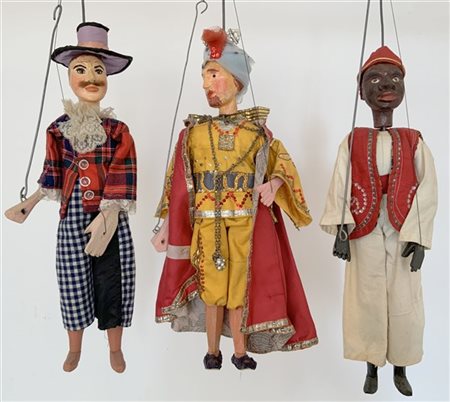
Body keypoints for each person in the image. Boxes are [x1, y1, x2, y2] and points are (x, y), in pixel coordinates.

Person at [152, 27, 317, 370]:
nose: (206, 84)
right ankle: (212, 351)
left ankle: (240, 352)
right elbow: (177, 182)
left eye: (214, 74)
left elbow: (282, 163)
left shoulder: (257, 132)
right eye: (204, 76)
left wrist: (274, 184)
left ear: (236, 81)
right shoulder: (194, 133)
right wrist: (166, 225)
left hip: (245, 222)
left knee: (239, 288)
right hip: (207, 223)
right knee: (213, 289)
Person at [4, 22, 137, 373]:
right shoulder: (58, 129)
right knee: (72, 277)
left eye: (98, 71)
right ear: (69, 76)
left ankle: (115, 347)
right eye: (81, 70)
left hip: (109, 215)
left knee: (114, 278)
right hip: (72, 213)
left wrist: (110, 213)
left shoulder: (117, 130)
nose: (91, 78)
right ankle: (74, 347)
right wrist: (31, 202)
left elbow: (124, 169)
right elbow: (52, 173)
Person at [320, 46, 437, 396]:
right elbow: (340, 183)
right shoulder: (353, 140)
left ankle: (401, 364)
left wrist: (419, 236)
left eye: (394, 78)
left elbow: (428, 187)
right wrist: (341, 230)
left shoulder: (413, 140)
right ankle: (371, 364)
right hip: (363, 226)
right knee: (366, 296)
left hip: (403, 228)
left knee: (404, 297)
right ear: (361, 91)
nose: (386, 85)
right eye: (374, 79)